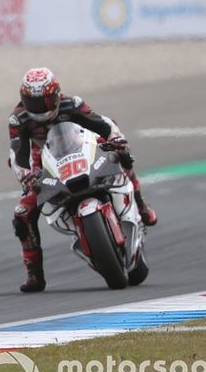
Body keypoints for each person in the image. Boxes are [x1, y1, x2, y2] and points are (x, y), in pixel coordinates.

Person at [9, 68, 158, 293]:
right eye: (31, 101)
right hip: (45, 160)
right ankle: (34, 274)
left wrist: (117, 141)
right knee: (22, 214)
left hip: (83, 146)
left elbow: (104, 124)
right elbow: (17, 154)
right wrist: (24, 175)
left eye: (43, 101)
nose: (37, 108)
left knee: (121, 155)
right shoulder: (18, 118)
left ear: (56, 95)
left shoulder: (72, 104)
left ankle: (141, 204)